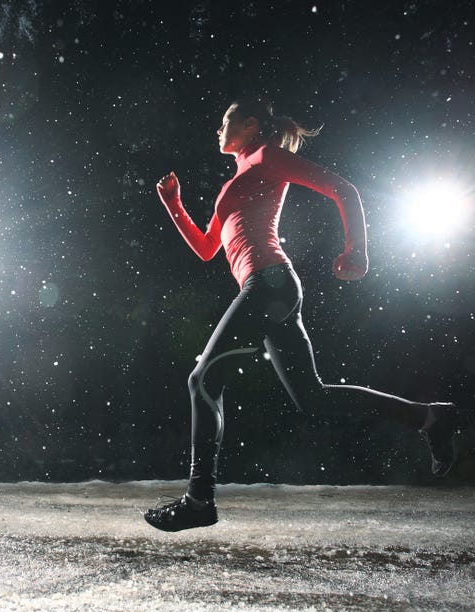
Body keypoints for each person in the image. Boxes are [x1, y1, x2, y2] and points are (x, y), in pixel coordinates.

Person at [144, 97, 458, 533]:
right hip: (271, 288)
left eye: (226, 121)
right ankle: (429, 417)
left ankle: (199, 499)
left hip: (269, 282)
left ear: (251, 124)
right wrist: (173, 203)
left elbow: (343, 190)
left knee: (203, 380)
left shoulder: (268, 157)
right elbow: (206, 249)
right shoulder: (238, 176)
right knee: (313, 398)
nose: (218, 128)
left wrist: (357, 250)